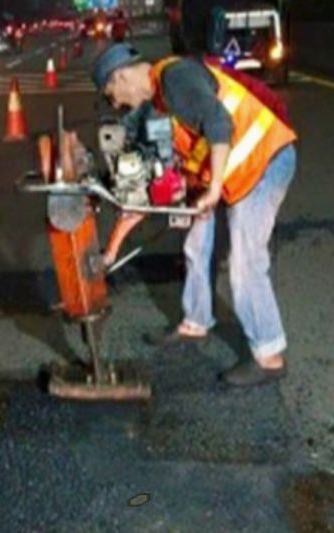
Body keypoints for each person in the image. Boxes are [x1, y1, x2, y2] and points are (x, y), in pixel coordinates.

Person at [92, 43, 297, 387]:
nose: (118, 105)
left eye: (112, 95)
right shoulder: (161, 103)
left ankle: (270, 355)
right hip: (231, 171)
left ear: (122, 75)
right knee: (196, 244)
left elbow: (219, 122)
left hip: (264, 161)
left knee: (246, 262)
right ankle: (196, 321)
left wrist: (214, 187)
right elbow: (144, 198)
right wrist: (111, 251)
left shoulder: (175, 78)